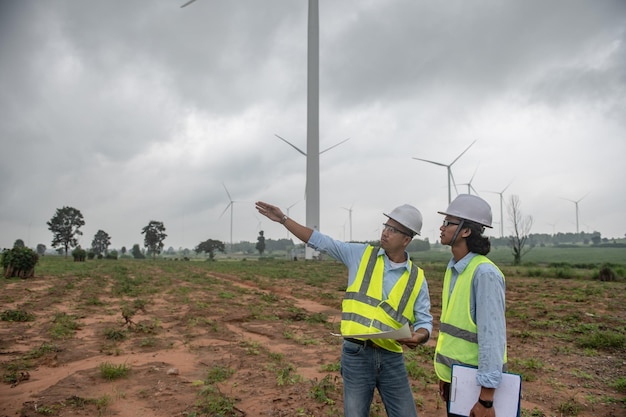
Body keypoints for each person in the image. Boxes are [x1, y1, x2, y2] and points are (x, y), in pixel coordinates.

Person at [255, 201, 432, 417]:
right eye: (386, 226)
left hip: (392, 358)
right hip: (357, 354)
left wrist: (419, 337)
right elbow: (320, 241)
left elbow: (424, 322)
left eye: (393, 230)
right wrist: (283, 219)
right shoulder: (360, 255)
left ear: (406, 239)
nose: (385, 232)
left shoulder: (417, 278)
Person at [434, 194, 507, 417]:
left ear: (466, 231)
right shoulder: (454, 269)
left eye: (448, 223)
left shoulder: (484, 273)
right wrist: (447, 379)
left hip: (477, 388)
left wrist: (486, 400)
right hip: (457, 380)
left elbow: (492, 338)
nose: (441, 227)